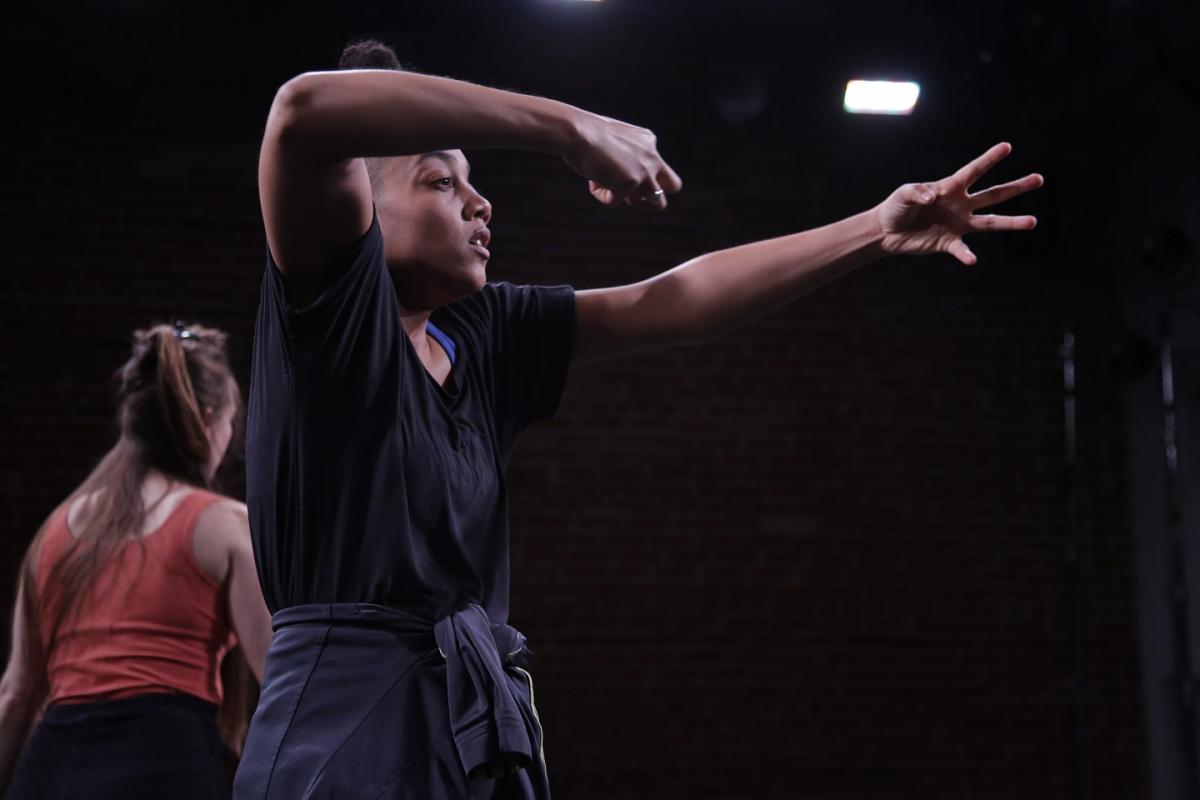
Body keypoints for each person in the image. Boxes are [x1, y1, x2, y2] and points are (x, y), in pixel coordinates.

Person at [238, 39, 1043, 799]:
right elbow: (302, 111)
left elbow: (676, 303)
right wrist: (568, 126)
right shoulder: (333, 312)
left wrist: (875, 229)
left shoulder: (481, 336)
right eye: (439, 181)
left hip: (465, 736)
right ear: (361, 210)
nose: (482, 203)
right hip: (336, 738)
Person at [0, 322, 274, 799]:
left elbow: (17, 697)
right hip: (161, 762)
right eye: (231, 424)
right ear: (208, 420)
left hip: (51, 769)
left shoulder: (57, 529)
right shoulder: (225, 526)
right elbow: (280, 679)